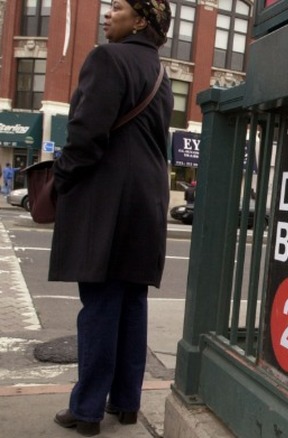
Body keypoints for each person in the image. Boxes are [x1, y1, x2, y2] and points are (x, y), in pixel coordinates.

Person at [50, 0, 172, 436]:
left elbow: (86, 134)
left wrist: (60, 177)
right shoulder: (160, 71)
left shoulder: (107, 58)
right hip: (147, 204)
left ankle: (86, 411)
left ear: (140, 19)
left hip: (109, 203)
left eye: (116, 7)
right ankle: (125, 403)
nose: (107, 14)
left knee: (100, 305)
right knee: (131, 304)